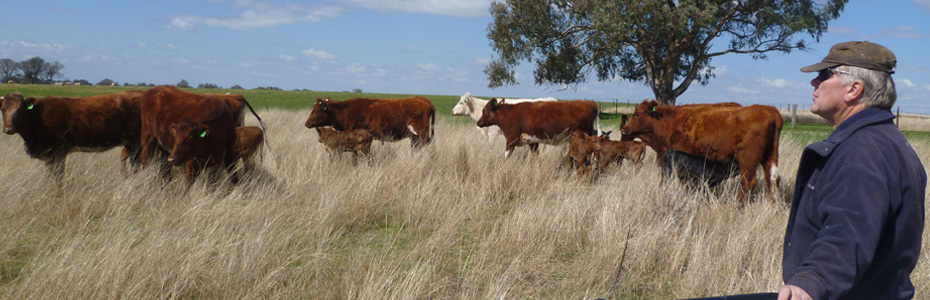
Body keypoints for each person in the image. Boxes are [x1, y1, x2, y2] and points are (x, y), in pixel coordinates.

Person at [778, 41, 926, 300]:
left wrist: (810, 283)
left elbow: (848, 235)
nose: (814, 83)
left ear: (854, 89)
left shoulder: (861, 152)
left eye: (824, 74)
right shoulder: (889, 141)